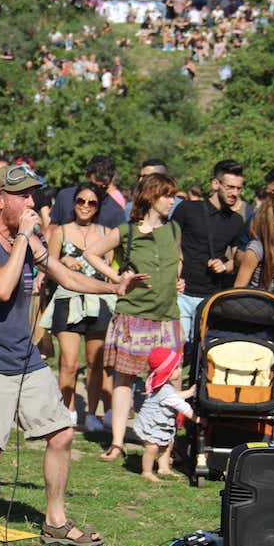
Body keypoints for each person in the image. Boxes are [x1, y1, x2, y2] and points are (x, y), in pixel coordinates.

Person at [0, 167, 145, 546]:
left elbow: (66, 277)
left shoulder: (29, 239)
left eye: (34, 195)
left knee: (60, 434)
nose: (32, 203)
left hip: (24, 358)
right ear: (0, 199)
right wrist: (24, 237)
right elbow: (2, 288)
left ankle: (56, 522)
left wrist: (113, 286)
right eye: (23, 196)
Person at [83, 173, 184, 461]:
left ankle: (165, 446)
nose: (171, 200)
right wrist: (118, 279)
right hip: (133, 316)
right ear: (151, 197)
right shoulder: (127, 231)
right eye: (167, 195)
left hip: (167, 318)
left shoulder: (174, 229)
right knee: (124, 379)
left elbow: (177, 261)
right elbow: (91, 253)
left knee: (171, 380)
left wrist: (178, 280)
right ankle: (117, 442)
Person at [40, 183, 115, 431]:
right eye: (80, 201)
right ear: (74, 203)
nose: (85, 206)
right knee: (69, 362)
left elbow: (109, 271)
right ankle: (67, 409)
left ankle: (92, 413)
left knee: (96, 362)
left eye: (91, 203)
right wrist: (63, 260)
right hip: (68, 299)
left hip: (98, 302)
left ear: (97, 207)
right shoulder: (60, 231)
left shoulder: (107, 233)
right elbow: (47, 267)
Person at [171, 160, 246, 343]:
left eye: (239, 188)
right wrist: (172, 279)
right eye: (230, 187)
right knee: (177, 353)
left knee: (204, 355)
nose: (234, 193)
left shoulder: (236, 221)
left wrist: (225, 266)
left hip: (212, 297)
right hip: (181, 293)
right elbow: (170, 245)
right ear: (215, 184)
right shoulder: (188, 209)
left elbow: (238, 260)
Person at [133, 347, 197, 483]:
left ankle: (163, 467)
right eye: (177, 368)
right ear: (167, 372)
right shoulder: (165, 389)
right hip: (151, 424)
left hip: (159, 423)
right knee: (152, 447)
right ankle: (147, 471)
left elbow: (175, 397)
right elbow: (182, 406)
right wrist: (196, 418)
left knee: (167, 443)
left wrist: (189, 393)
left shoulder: (166, 386)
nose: (180, 370)